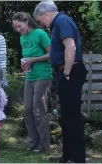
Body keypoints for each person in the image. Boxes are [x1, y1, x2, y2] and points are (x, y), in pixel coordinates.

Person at [34, 0, 87, 162]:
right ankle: (67, 156)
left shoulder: (62, 21)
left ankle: (78, 159)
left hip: (69, 72)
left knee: (72, 117)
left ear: (45, 13)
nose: (42, 24)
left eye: (40, 20)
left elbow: (71, 47)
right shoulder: (59, 23)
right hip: (64, 72)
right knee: (66, 117)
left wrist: (67, 74)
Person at [12, 12, 52, 153]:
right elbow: (27, 57)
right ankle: (32, 142)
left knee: (38, 110)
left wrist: (33, 60)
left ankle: (44, 144)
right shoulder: (22, 38)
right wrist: (25, 65)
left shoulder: (40, 34)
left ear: (26, 21)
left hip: (43, 75)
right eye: (16, 28)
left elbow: (52, 54)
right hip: (30, 77)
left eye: (19, 26)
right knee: (28, 110)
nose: (18, 30)